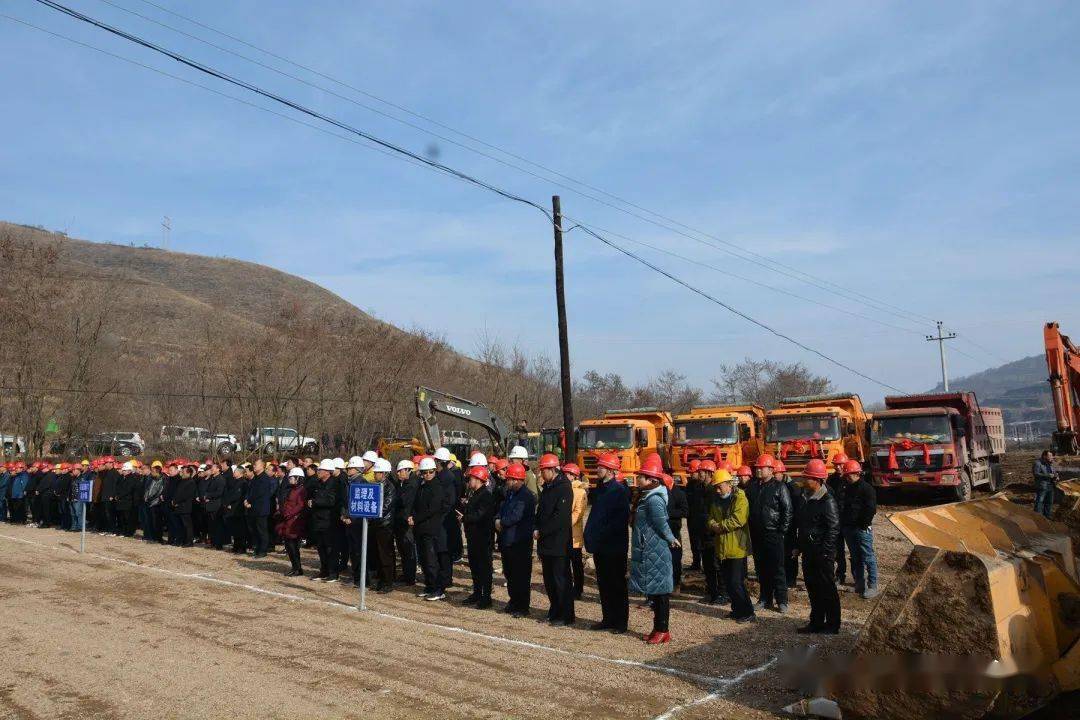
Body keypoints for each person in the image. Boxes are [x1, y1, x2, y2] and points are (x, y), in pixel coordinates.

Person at [630, 453, 680, 644]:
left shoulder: (654, 499)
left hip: (655, 549)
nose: (638, 479)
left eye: (640, 476)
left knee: (660, 593)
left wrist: (670, 539)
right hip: (649, 549)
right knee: (655, 591)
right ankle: (657, 629)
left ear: (650, 479)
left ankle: (662, 629)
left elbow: (661, 523)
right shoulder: (647, 496)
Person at [583, 451, 630, 633]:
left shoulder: (619, 491)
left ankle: (620, 622)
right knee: (604, 585)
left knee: (617, 585)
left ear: (610, 470)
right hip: (601, 547)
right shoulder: (601, 489)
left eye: (601, 467)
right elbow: (595, 516)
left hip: (614, 547)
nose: (597, 469)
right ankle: (608, 618)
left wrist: (600, 535)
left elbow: (618, 522)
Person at [794, 459, 842, 634]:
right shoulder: (807, 498)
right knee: (813, 589)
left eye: (807, 477)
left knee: (827, 589)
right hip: (809, 553)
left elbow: (833, 529)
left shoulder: (827, 501)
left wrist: (825, 552)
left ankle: (832, 624)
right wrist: (799, 546)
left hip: (822, 555)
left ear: (817, 479)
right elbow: (805, 526)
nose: (804, 480)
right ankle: (816, 622)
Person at [747, 453, 792, 613]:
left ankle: (782, 600)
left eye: (762, 468)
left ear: (771, 469)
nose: (758, 470)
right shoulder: (752, 487)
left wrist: (782, 532)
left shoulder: (780, 487)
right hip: (757, 534)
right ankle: (764, 598)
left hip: (774, 534)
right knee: (761, 568)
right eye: (757, 468)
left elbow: (787, 511)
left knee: (777, 568)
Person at [708, 469, 755, 623]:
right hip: (723, 547)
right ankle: (737, 610)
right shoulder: (715, 500)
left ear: (728, 484)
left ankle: (748, 612)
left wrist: (718, 527)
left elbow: (738, 520)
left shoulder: (740, 498)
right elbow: (710, 518)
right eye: (715, 486)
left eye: (719, 486)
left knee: (736, 582)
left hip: (737, 547)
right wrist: (712, 524)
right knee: (729, 582)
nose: (717, 489)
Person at [534, 453, 575, 626]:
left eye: (543, 470)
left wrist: (542, 531)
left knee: (561, 580)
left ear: (552, 469)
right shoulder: (547, 488)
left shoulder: (564, 488)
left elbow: (561, 517)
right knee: (549, 580)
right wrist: (536, 527)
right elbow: (540, 512)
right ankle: (554, 609)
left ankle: (566, 614)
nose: (541, 474)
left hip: (559, 543)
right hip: (546, 543)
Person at [497, 462, 535, 618]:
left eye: (510, 479)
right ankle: (513, 601)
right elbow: (503, 510)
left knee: (521, 576)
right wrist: (498, 518)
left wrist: (501, 522)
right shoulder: (510, 494)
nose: (508, 482)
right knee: (510, 574)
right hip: (508, 540)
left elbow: (516, 516)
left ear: (518, 480)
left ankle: (522, 606)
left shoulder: (526, 497)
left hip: (520, 542)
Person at [838, 459, 879, 599]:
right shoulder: (847, 487)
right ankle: (859, 584)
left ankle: (873, 585)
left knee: (868, 557)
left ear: (857, 474)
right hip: (849, 528)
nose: (847, 477)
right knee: (855, 557)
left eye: (849, 475)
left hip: (861, 529)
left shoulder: (867, 489)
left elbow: (871, 509)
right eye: (846, 475)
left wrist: (863, 525)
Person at [410, 456, 447, 601]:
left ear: (434, 471)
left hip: (431, 529)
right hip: (420, 528)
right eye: (424, 472)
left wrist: (416, 518)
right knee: (424, 560)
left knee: (431, 560)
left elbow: (432, 509)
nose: (427, 475)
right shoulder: (422, 486)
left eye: (430, 472)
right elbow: (415, 504)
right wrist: (411, 515)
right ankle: (429, 586)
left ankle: (438, 589)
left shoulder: (437, 487)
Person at [460, 464, 496, 608]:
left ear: (478, 479)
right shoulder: (475, 494)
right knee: (475, 567)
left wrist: (464, 518)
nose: (469, 481)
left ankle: (485, 597)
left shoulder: (486, 495)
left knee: (484, 568)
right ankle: (476, 593)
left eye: (472, 478)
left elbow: (479, 515)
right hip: (473, 537)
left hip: (483, 538)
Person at [695, 460, 725, 605]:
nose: (698, 473)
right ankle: (712, 592)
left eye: (701, 471)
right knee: (707, 565)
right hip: (703, 533)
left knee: (716, 565)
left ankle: (722, 594)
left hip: (712, 535)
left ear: (708, 473)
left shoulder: (714, 491)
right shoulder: (700, 488)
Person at [308, 459, 341, 582]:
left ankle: (333, 573)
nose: (318, 472)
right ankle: (324, 571)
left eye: (320, 470)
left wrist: (315, 502)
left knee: (330, 548)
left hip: (329, 521)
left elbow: (331, 501)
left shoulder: (334, 484)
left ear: (327, 472)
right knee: (321, 547)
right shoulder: (318, 483)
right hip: (318, 520)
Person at [433, 447, 463, 584]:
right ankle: (444, 577)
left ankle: (445, 579)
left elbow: (448, 501)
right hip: (443, 519)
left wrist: (437, 512)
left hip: (444, 520)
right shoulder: (444, 476)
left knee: (444, 550)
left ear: (439, 462)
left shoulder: (447, 478)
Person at [370, 458, 398, 593]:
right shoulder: (377, 485)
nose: (375, 475)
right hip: (377, 524)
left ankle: (388, 582)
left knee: (385, 554)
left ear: (384, 473)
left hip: (385, 525)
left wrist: (372, 512)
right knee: (379, 554)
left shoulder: (390, 488)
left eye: (377, 472)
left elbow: (385, 506)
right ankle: (382, 580)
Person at [276, 467, 308, 576]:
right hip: (287, 520)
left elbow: (300, 505)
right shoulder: (292, 489)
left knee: (293, 545)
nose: (290, 479)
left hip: (294, 521)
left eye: (292, 478)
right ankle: (295, 567)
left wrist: (289, 514)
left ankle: (297, 568)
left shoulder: (301, 490)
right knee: (289, 546)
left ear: (298, 478)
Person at [393, 459, 419, 586]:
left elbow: (404, 501)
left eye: (400, 471)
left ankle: (410, 576)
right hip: (400, 520)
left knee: (408, 549)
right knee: (402, 549)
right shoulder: (402, 483)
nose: (398, 474)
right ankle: (406, 573)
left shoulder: (412, 484)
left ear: (408, 470)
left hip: (406, 521)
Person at [564, 462, 588, 599]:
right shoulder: (565, 489)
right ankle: (569, 586)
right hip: (566, 533)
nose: (565, 476)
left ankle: (578, 589)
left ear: (574, 476)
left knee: (576, 563)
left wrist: (564, 524)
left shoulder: (580, 492)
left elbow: (579, 512)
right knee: (566, 562)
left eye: (568, 473)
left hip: (574, 534)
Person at [827, 452, 850, 584]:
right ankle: (840, 574)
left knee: (856, 552)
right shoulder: (832, 480)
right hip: (836, 521)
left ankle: (859, 579)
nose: (838, 467)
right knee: (838, 550)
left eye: (840, 465)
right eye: (836, 465)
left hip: (849, 522)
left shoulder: (852, 479)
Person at [244, 459, 273, 558]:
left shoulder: (264, 478)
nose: (254, 466)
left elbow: (259, 494)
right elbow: (250, 491)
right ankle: (257, 548)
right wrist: (246, 499)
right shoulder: (255, 478)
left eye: (256, 464)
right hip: (253, 508)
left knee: (262, 530)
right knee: (255, 530)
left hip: (261, 508)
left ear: (262, 466)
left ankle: (263, 550)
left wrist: (250, 502)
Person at [666, 472, 689, 593]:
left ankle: (676, 583)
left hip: (674, 530)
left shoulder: (679, 494)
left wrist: (668, 514)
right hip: (663, 531)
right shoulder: (661, 493)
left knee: (675, 558)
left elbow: (685, 512)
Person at [683, 459, 705, 571]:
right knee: (693, 541)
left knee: (702, 542)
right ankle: (696, 563)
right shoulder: (690, 485)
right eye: (690, 473)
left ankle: (704, 565)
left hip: (701, 518)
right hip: (692, 517)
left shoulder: (703, 486)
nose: (691, 475)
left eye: (693, 472)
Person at [203, 463, 227, 549]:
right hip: (210, 505)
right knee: (212, 525)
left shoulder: (220, 479)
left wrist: (209, 496)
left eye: (213, 468)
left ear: (218, 469)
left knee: (217, 525)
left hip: (216, 505)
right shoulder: (213, 478)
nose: (212, 469)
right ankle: (213, 542)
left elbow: (219, 492)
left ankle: (218, 544)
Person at [172, 463, 196, 546]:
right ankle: (181, 540)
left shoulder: (191, 482)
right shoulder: (181, 481)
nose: (181, 473)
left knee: (187, 526)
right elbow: (177, 492)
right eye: (181, 471)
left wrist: (176, 501)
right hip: (178, 506)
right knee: (180, 525)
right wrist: (174, 501)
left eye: (183, 472)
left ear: (188, 473)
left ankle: (189, 541)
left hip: (185, 507)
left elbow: (186, 495)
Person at [1033, 450, 1058, 519]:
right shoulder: (1038, 463)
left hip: (1051, 485)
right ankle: (1037, 517)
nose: (1052, 457)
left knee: (1049, 502)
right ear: (1044, 456)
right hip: (1042, 485)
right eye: (1050, 455)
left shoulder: (1050, 463)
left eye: (1052, 456)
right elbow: (1036, 473)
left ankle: (1047, 516)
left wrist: (1056, 476)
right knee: (1040, 501)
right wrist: (1048, 475)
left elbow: (1053, 472)